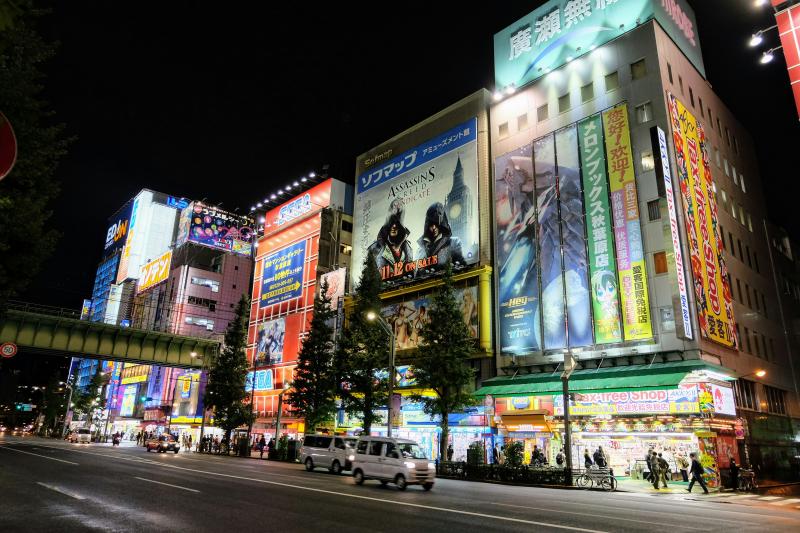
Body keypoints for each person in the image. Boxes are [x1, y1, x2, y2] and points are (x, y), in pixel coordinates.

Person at [367, 199, 414, 276]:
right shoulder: (375, 248)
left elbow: (411, 274)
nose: (394, 226)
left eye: (399, 207)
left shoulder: (407, 248)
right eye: (394, 206)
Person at [415, 202, 465, 271]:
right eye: (431, 225)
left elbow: (462, 267)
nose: (434, 227)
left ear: (441, 224)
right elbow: (416, 275)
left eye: (436, 224)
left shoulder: (454, 243)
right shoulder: (421, 250)